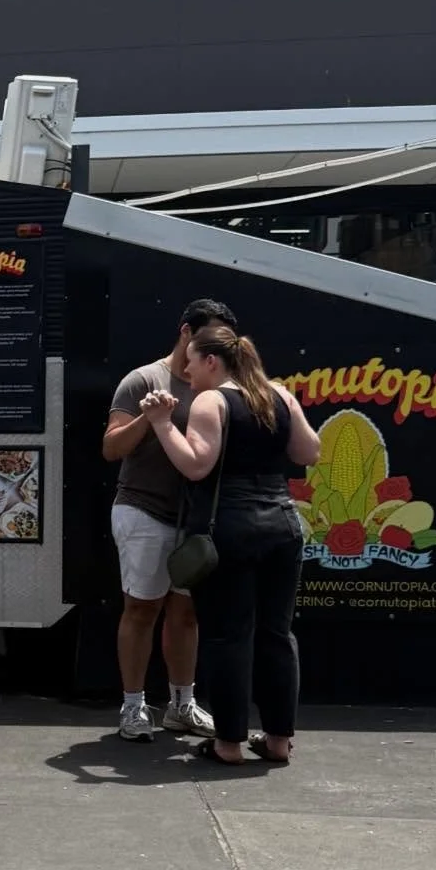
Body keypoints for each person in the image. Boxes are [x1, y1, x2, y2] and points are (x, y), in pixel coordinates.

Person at [141, 324, 321, 766]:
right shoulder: (280, 395)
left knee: (228, 635)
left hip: (231, 530)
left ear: (212, 362)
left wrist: (162, 424)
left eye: (192, 361)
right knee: (277, 634)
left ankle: (228, 744)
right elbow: (309, 452)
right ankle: (278, 740)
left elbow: (196, 466)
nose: (186, 369)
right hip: (282, 525)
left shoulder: (211, 399)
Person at [103, 298, 237, 742]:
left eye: (221, 342)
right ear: (185, 333)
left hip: (195, 520)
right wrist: (149, 415)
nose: (213, 349)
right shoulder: (143, 379)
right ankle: (133, 706)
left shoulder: (217, 384)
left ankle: (182, 704)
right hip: (143, 509)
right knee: (141, 609)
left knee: (187, 615)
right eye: (207, 339)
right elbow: (111, 449)